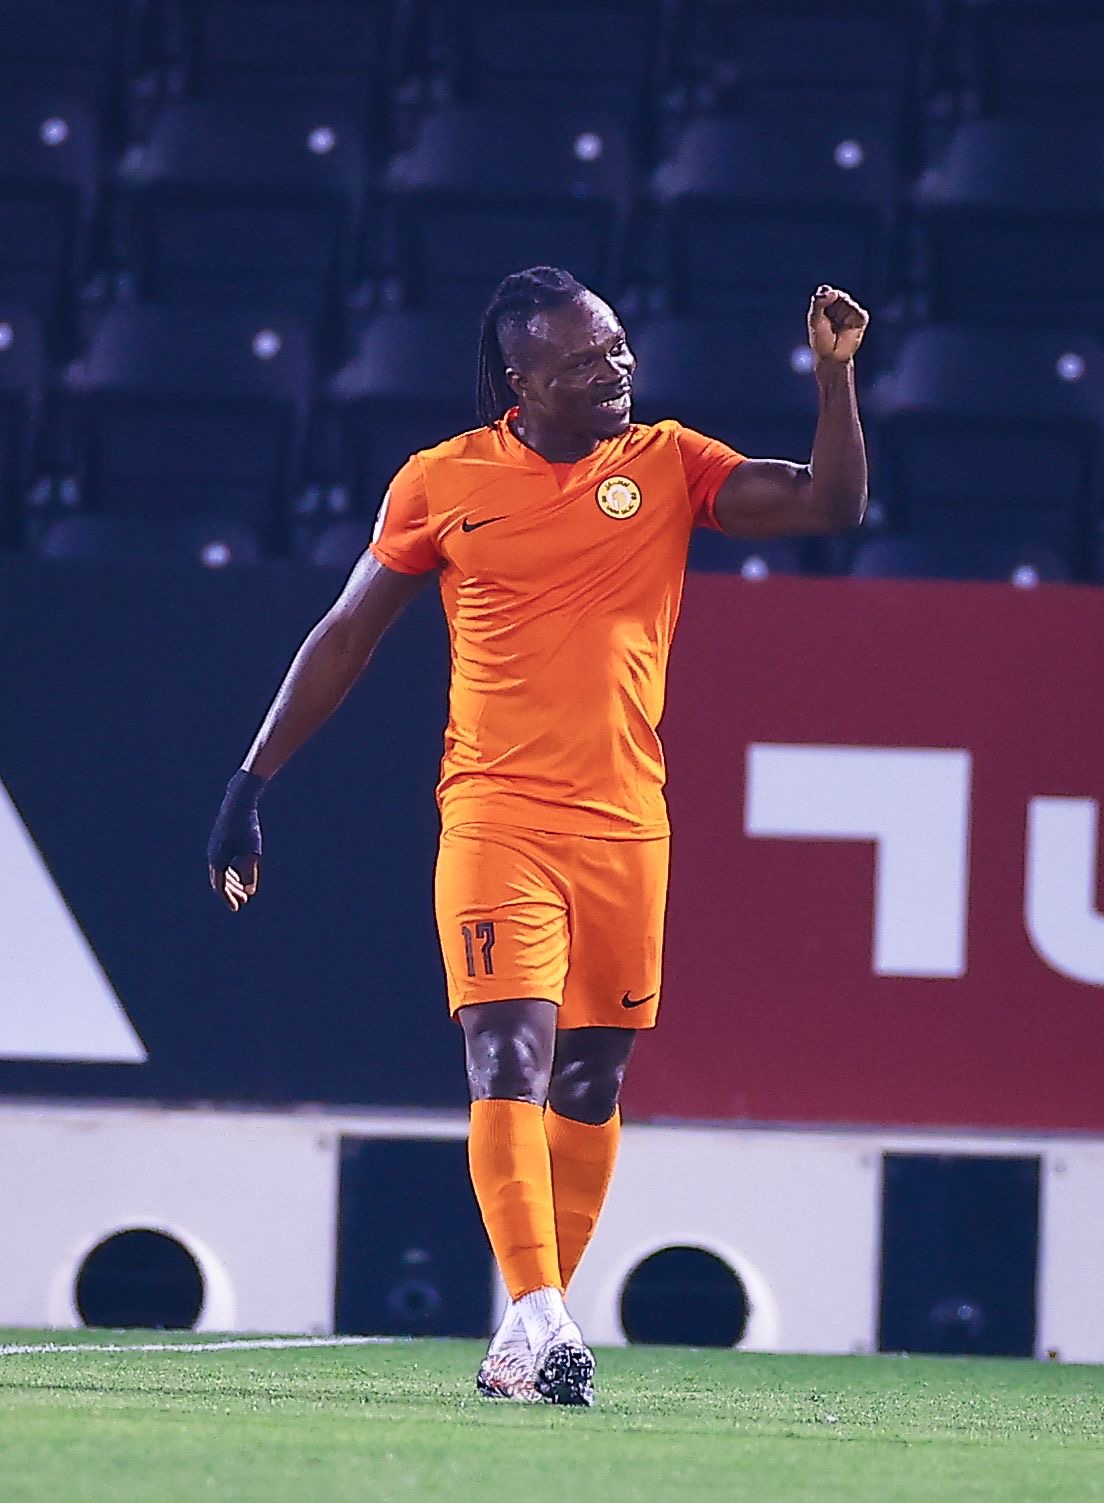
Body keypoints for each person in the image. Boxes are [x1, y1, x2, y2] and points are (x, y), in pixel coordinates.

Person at [207, 266, 868, 1406]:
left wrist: (835, 377)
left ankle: (524, 1334)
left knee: (593, 1078)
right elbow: (347, 633)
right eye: (586, 361)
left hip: (626, 821)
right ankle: (546, 1314)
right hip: (495, 812)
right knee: (507, 1051)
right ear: (522, 380)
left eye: (618, 348)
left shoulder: (668, 463)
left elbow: (829, 506)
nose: (618, 370)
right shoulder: (442, 481)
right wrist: (249, 780)